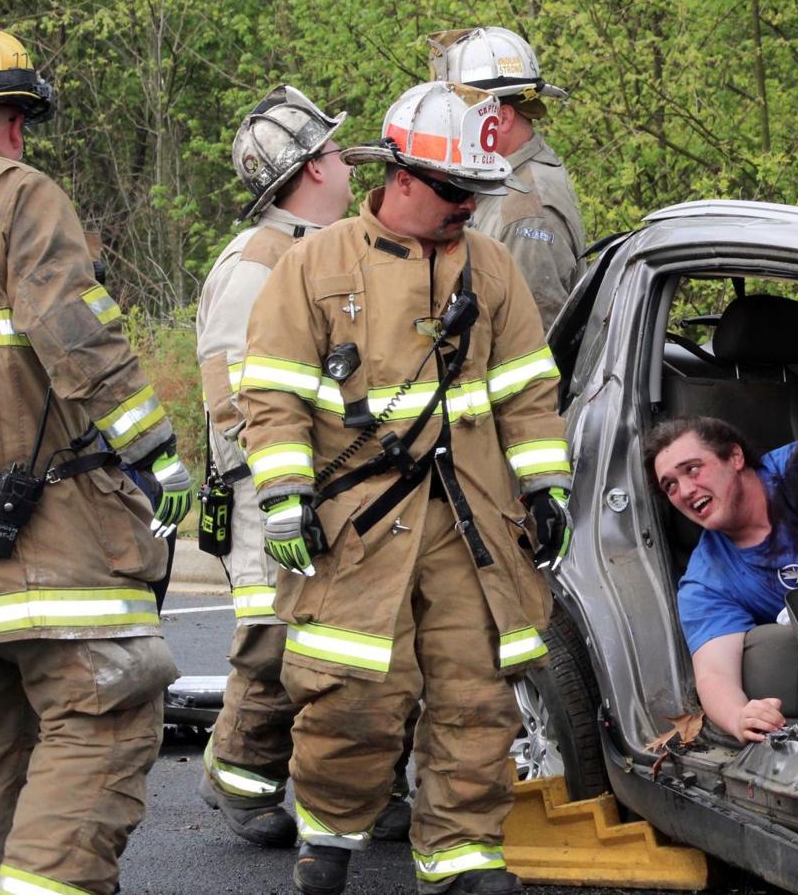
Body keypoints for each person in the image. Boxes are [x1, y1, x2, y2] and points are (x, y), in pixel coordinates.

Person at [238, 80, 571, 895]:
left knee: (476, 694)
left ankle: (460, 856)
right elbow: (272, 391)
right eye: (458, 192)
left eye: (479, 192)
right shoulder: (313, 265)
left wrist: (543, 488)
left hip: (472, 524)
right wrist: (284, 496)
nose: (470, 208)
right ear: (403, 177)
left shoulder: (490, 270)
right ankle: (330, 838)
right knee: (352, 697)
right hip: (356, 526)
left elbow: (528, 389)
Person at [0, 25, 189, 895]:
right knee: (105, 710)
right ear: (16, 117)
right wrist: (154, 449)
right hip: (44, 538)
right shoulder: (15, 190)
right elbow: (71, 332)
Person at [196, 84, 429, 850]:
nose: (343, 158)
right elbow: (236, 399)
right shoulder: (257, 262)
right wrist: (286, 485)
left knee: (368, 641)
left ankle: (362, 788)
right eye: (332, 150)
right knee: (274, 642)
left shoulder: (338, 247)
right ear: (307, 169)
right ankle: (238, 776)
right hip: (273, 491)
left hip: (351, 483)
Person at [645, 417, 798, 744]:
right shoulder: (706, 580)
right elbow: (714, 674)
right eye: (669, 485)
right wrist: (739, 716)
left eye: (692, 468)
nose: (685, 491)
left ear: (735, 457)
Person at [428, 27, 586, 331]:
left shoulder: (524, 214)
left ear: (501, 118)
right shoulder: (502, 182)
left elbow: (532, 340)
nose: (451, 127)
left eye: (462, 113)